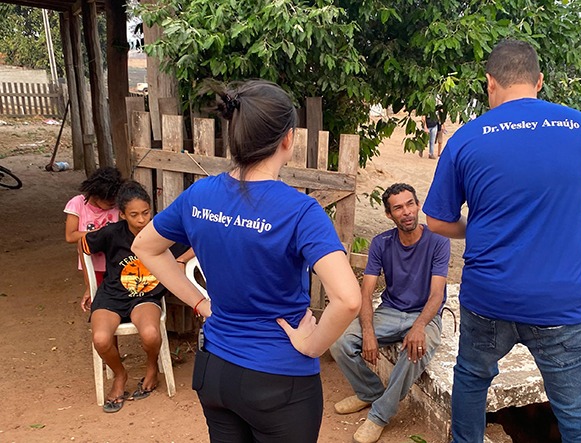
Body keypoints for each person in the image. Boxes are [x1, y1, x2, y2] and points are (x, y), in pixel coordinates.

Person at [131, 80, 362, 443]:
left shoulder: (200, 194)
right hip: (279, 380)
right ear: (288, 138)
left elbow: (145, 246)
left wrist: (199, 302)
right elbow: (349, 299)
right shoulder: (300, 212)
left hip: (215, 373)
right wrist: (313, 345)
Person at [422, 39, 581, 443]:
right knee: (579, 413)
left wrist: (475, 227)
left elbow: (437, 222)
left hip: (489, 297)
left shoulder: (466, 138)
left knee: (472, 381)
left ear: (490, 82)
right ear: (539, 81)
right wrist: (556, 213)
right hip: (561, 302)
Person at [330, 183, 450, 443]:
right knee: (340, 341)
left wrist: (419, 327)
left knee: (415, 351)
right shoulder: (381, 242)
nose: (406, 212)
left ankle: (380, 416)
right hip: (391, 310)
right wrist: (369, 331)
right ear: (389, 214)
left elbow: (437, 294)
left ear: (418, 205)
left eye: (410, 204)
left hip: (425, 315)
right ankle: (369, 391)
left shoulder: (438, 241)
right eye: (398, 207)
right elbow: (366, 290)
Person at [79, 180, 190, 413]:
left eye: (146, 213)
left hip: (145, 297)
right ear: (122, 215)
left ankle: (152, 369)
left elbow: (196, 242)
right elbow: (83, 244)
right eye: (134, 215)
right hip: (111, 296)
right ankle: (120, 376)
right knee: (100, 339)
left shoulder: (163, 232)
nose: (142, 220)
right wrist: (90, 285)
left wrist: (180, 260)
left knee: (150, 334)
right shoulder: (112, 234)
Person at [65, 167, 123, 290]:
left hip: (115, 263)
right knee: (96, 293)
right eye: (109, 203)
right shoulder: (78, 204)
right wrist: (101, 233)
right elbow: (70, 236)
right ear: (96, 196)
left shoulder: (116, 206)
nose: (113, 205)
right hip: (92, 263)